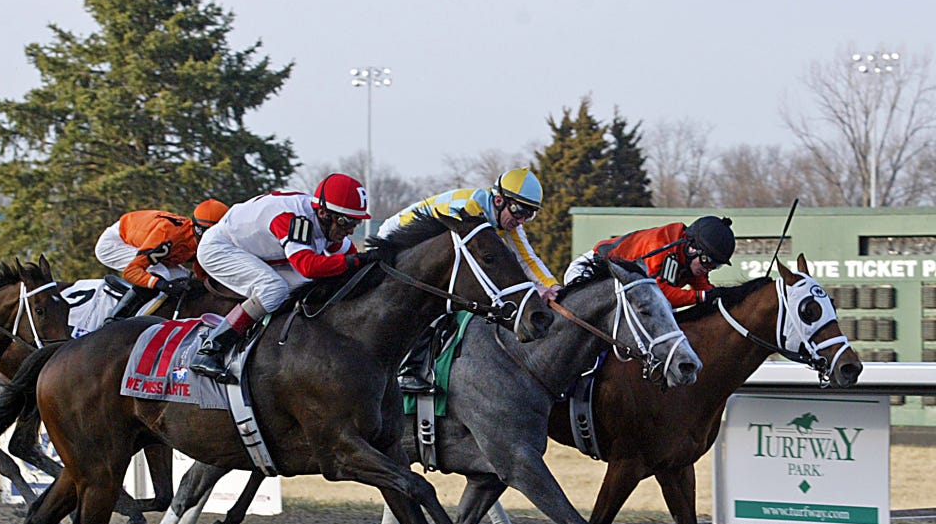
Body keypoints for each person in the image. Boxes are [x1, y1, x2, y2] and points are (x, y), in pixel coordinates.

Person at [378, 167, 561, 392]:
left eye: (529, 215)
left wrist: (553, 287)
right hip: (397, 239)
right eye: (519, 211)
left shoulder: (505, 219)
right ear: (499, 200)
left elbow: (527, 258)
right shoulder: (470, 209)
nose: (521, 220)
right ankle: (408, 369)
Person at [188, 173, 373, 382]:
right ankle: (210, 350)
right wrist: (356, 262)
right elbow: (308, 266)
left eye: (356, 223)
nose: (350, 230)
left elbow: (350, 258)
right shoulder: (293, 219)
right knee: (273, 289)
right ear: (323, 213)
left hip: (256, 250)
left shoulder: (326, 222)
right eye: (345, 222)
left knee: (312, 288)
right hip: (220, 248)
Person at [97, 199, 230, 320]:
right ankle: (118, 318)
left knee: (183, 279)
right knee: (161, 274)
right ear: (199, 229)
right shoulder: (167, 236)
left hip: (143, 238)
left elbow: (202, 276)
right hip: (116, 242)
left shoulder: (197, 238)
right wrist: (162, 285)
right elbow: (131, 272)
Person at [564, 215, 736, 308]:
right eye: (707, 262)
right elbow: (657, 294)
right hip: (590, 272)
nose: (708, 269)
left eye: (716, 266)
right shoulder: (661, 245)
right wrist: (701, 297)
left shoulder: (691, 259)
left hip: (619, 287)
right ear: (692, 248)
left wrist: (722, 298)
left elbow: (706, 291)